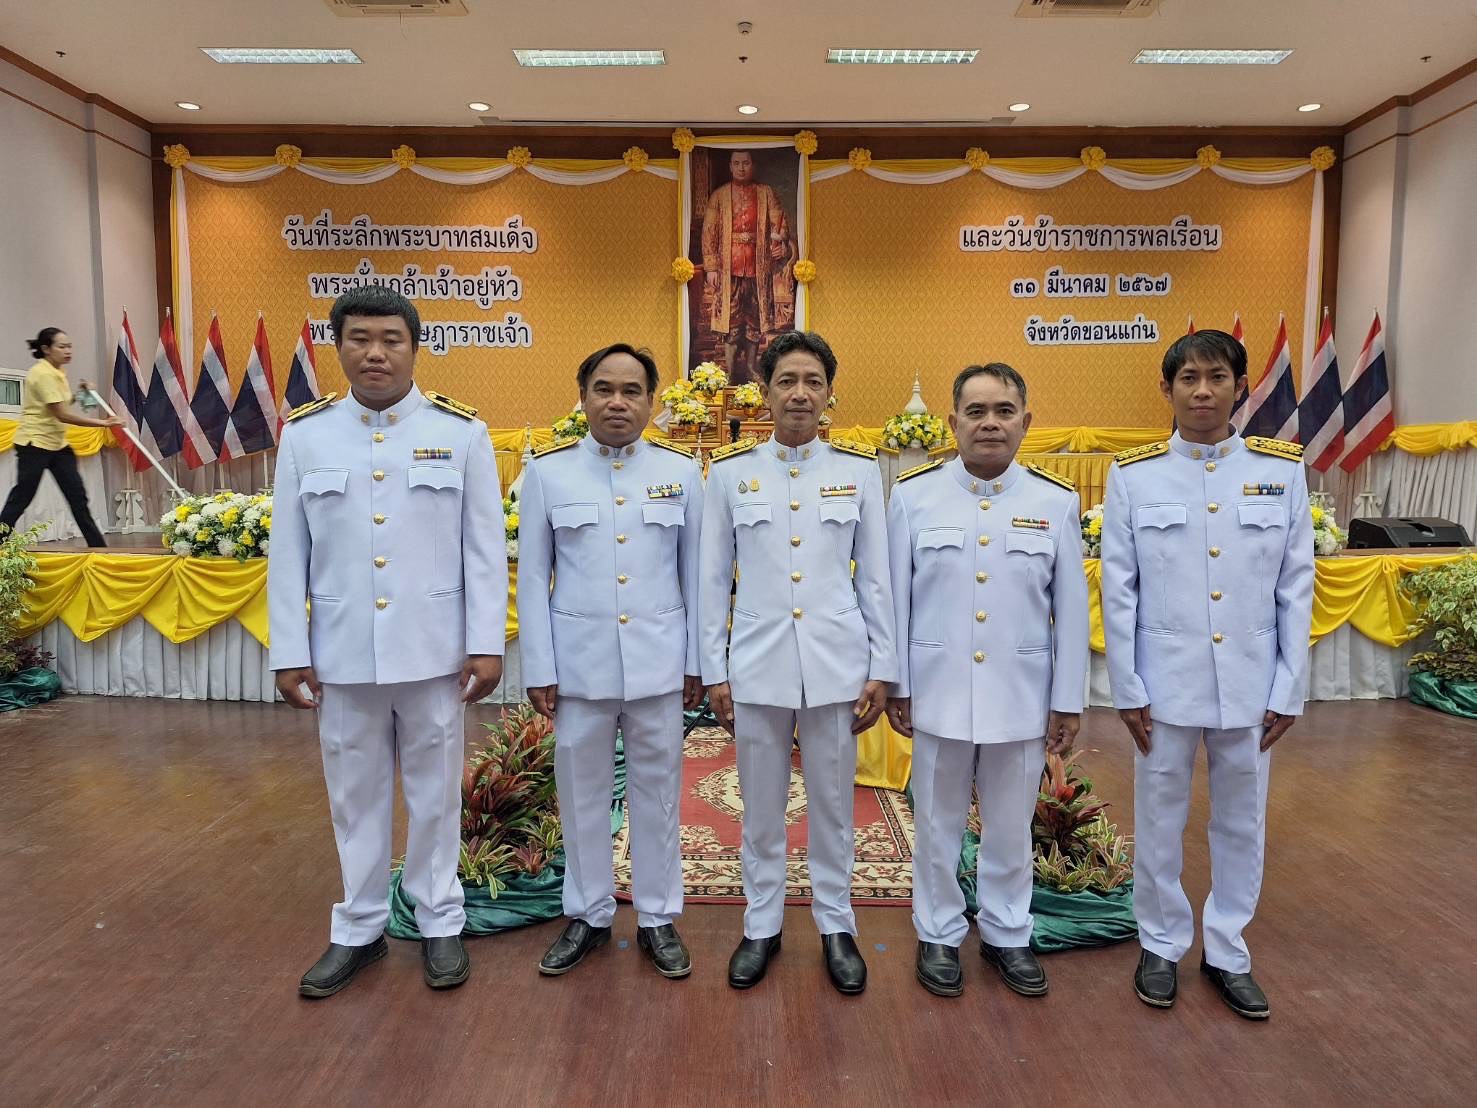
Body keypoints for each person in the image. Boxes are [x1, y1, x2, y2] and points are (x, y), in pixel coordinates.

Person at [268, 286, 506, 997]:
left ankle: (439, 921)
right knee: (355, 797)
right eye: (360, 338)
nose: (375, 353)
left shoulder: (461, 433)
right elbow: (289, 553)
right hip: (342, 653)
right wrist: (289, 650)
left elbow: (483, 551)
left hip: (433, 653)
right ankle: (359, 928)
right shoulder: (306, 435)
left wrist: (487, 642)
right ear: (338, 346)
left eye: (391, 339)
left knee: (435, 797)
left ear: (414, 346)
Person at [1101, 329, 1314, 1020]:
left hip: (1251, 682)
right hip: (1163, 683)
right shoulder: (1135, 475)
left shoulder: (1280, 472)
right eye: (1188, 378)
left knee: (1242, 820)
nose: (1202, 391)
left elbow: (1295, 585)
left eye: (1216, 377)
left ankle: (1227, 949)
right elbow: (1119, 589)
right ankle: (1159, 943)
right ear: (1166, 389)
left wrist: (1289, 686)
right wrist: (1127, 686)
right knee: (1159, 816)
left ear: (1239, 386)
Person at [699, 329, 896, 994]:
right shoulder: (731, 474)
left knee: (834, 805)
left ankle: (836, 924)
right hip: (757, 664)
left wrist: (881, 666)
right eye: (787, 380)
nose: (800, 393)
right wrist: (715, 669)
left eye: (813, 381)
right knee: (760, 806)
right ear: (765, 390)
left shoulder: (857, 472)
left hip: (836, 665)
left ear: (829, 392)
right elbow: (711, 580)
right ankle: (761, 924)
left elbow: (876, 579)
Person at [886, 363, 1090, 999]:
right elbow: (894, 602)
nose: (990, 423)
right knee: (937, 823)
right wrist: (897, 684)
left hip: (1020, 694)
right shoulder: (913, 497)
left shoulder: (1055, 502)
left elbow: (1072, 612)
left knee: (1008, 826)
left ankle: (1007, 931)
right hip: (937, 690)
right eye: (976, 412)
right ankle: (938, 932)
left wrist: (1068, 700)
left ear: (1026, 422)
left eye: (1004, 411)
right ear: (953, 423)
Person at [518, 343, 705, 979]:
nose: (617, 402)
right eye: (604, 389)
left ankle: (657, 916)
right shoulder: (549, 473)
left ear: (651, 402)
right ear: (583, 397)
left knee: (659, 795)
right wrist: (539, 668)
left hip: (659, 665)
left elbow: (697, 576)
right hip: (579, 666)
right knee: (581, 794)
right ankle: (588, 913)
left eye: (631, 391)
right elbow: (532, 578)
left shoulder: (682, 472)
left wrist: (696, 662)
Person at [0, 328, 120, 546]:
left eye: (69, 346)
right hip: (34, 444)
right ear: (46, 349)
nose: (68, 351)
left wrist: (82, 393)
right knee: (22, 496)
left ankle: (99, 548)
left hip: (58, 445)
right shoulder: (42, 374)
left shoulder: (58, 372)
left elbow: (62, 404)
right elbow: (62, 415)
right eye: (62, 347)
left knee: (77, 496)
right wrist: (104, 423)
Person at [700, 150, 795, 384]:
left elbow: (780, 224)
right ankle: (730, 371)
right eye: (737, 163)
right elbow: (709, 232)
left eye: (745, 163)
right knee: (731, 320)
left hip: (757, 266)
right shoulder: (719, 196)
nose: (741, 168)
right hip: (728, 267)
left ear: (753, 165)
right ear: (730, 166)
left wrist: (781, 243)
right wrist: (711, 267)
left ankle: (752, 367)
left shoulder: (766, 193)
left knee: (754, 319)